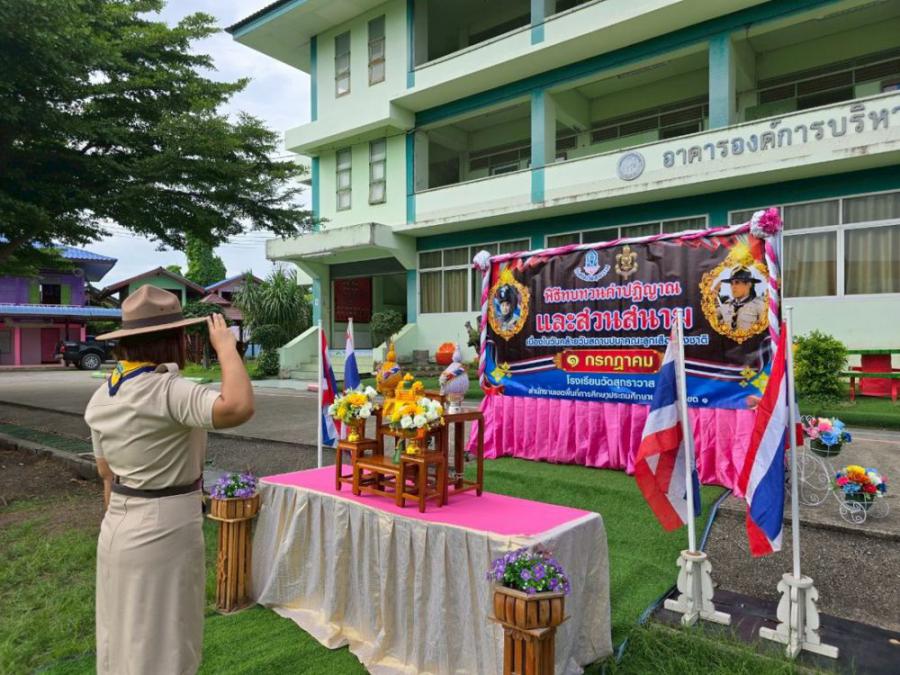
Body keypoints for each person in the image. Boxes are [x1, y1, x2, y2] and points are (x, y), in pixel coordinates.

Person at [84, 285, 254, 675]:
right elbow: (238, 406)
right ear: (174, 339)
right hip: (165, 526)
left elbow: (106, 474)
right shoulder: (167, 390)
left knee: (122, 640)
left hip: (118, 525)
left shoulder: (102, 396)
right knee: (166, 646)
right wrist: (226, 348)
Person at [715, 267, 766, 334]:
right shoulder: (726, 306)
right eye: (731, 283)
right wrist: (713, 294)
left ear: (748, 284)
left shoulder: (760, 306)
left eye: (737, 282)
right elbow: (710, 317)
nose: (733, 287)